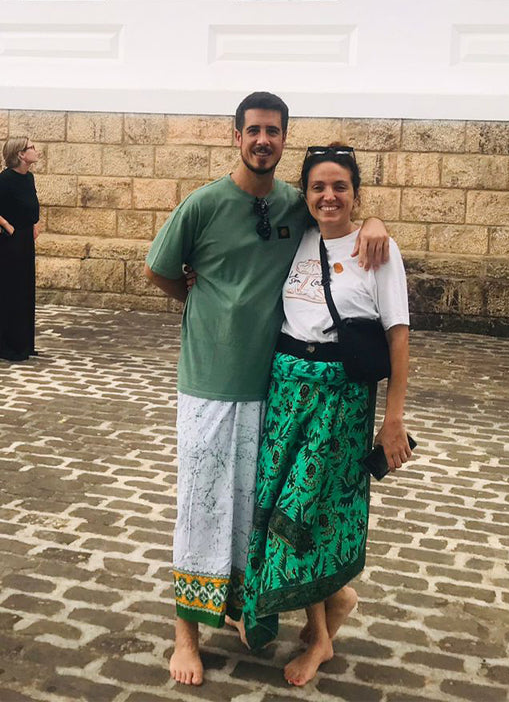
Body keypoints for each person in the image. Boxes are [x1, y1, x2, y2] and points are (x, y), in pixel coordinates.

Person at [143, 92, 392, 687]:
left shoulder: (292, 204)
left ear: (284, 138)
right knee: (200, 507)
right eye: (253, 130)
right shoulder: (203, 204)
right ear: (236, 136)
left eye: (273, 131)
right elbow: (158, 269)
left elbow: (338, 214)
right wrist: (200, 303)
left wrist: (377, 221)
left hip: (274, 390)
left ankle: (252, 609)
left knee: (259, 513)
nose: (263, 140)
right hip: (208, 384)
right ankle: (186, 636)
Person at [240, 144, 413, 687]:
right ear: (306, 194)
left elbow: (398, 336)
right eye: (318, 187)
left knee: (304, 509)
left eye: (340, 186)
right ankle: (333, 604)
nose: (329, 196)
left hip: (339, 402)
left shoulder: (377, 250)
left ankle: (320, 638)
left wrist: (393, 419)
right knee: (280, 507)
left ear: (356, 194)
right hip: (286, 392)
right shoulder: (297, 236)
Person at [0, 136, 42, 362]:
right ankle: (7, 346)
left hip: (25, 240)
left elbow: (28, 205)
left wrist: (34, 223)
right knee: (10, 292)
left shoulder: (29, 177)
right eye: (31, 147)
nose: (35, 150)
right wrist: (4, 223)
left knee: (25, 291)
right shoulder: (6, 178)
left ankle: (23, 344)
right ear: (21, 154)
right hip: (11, 241)